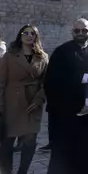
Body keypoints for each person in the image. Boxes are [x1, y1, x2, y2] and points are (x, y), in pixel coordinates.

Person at [44, 18, 88, 174]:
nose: (80, 33)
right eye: (77, 30)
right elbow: (51, 81)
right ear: (72, 32)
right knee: (65, 153)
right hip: (67, 112)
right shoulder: (61, 52)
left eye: (84, 30)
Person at [0, 25, 48, 174]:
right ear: (20, 36)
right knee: (7, 141)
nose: (29, 36)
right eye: (25, 33)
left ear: (36, 36)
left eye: (32, 33)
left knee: (30, 140)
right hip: (12, 102)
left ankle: (23, 171)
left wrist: (38, 100)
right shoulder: (9, 56)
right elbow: (1, 82)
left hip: (33, 104)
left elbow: (46, 82)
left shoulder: (43, 57)